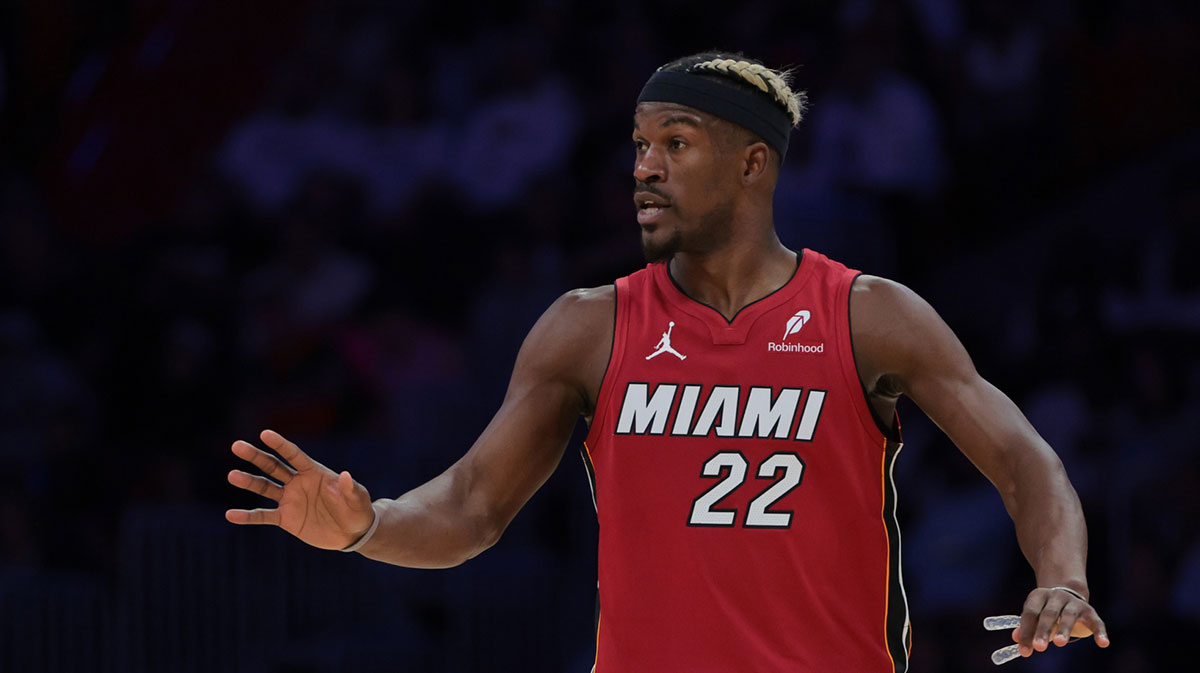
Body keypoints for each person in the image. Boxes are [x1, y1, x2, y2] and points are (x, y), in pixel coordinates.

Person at [226, 51, 1109, 671]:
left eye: (675, 145)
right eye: (639, 147)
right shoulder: (588, 325)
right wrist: (368, 524)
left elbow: (1025, 458)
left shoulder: (867, 314)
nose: (645, 169)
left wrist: (1062, 577)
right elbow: (469, 505)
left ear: (752, 163)